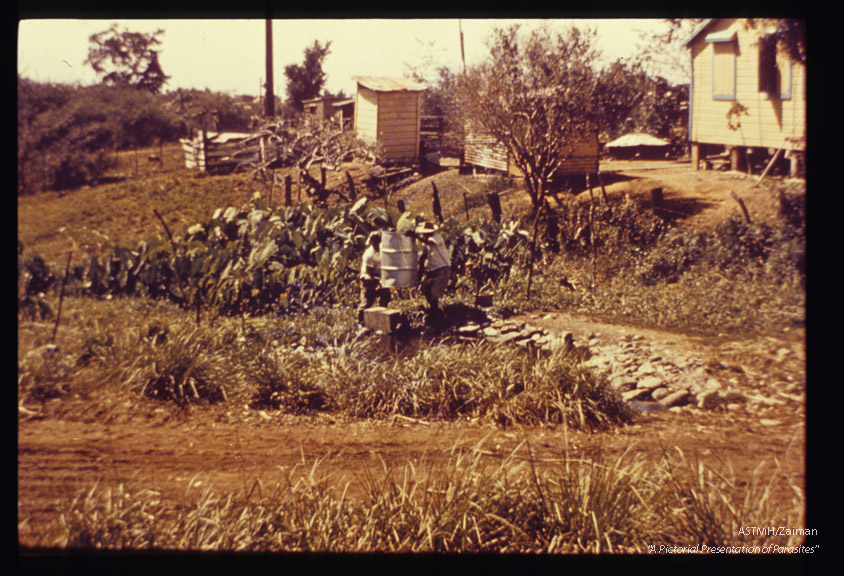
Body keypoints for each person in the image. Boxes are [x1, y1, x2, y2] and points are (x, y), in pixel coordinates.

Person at [410, 222, 451, 321]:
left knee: (434, 293)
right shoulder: (425, 244)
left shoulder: (437, 237)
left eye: (426, 233)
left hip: (443, 268)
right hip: (434, 269)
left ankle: (435, 313)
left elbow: (430, 242)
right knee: (425, 287)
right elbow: (423, 258)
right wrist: (418, 276)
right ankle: (433, 310)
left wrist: (415, 236)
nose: (425, 234)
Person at [358, 231, 390, 325]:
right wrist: (377, 281)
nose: (377, 243)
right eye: (375, 241)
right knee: (367, 303)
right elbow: (369, 272)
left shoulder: (382, 250)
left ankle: (380, 321)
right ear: (372, 242)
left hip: (379, 278)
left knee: (385, 297)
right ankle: (361, 323)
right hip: (369, 279)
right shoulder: (369, 254)